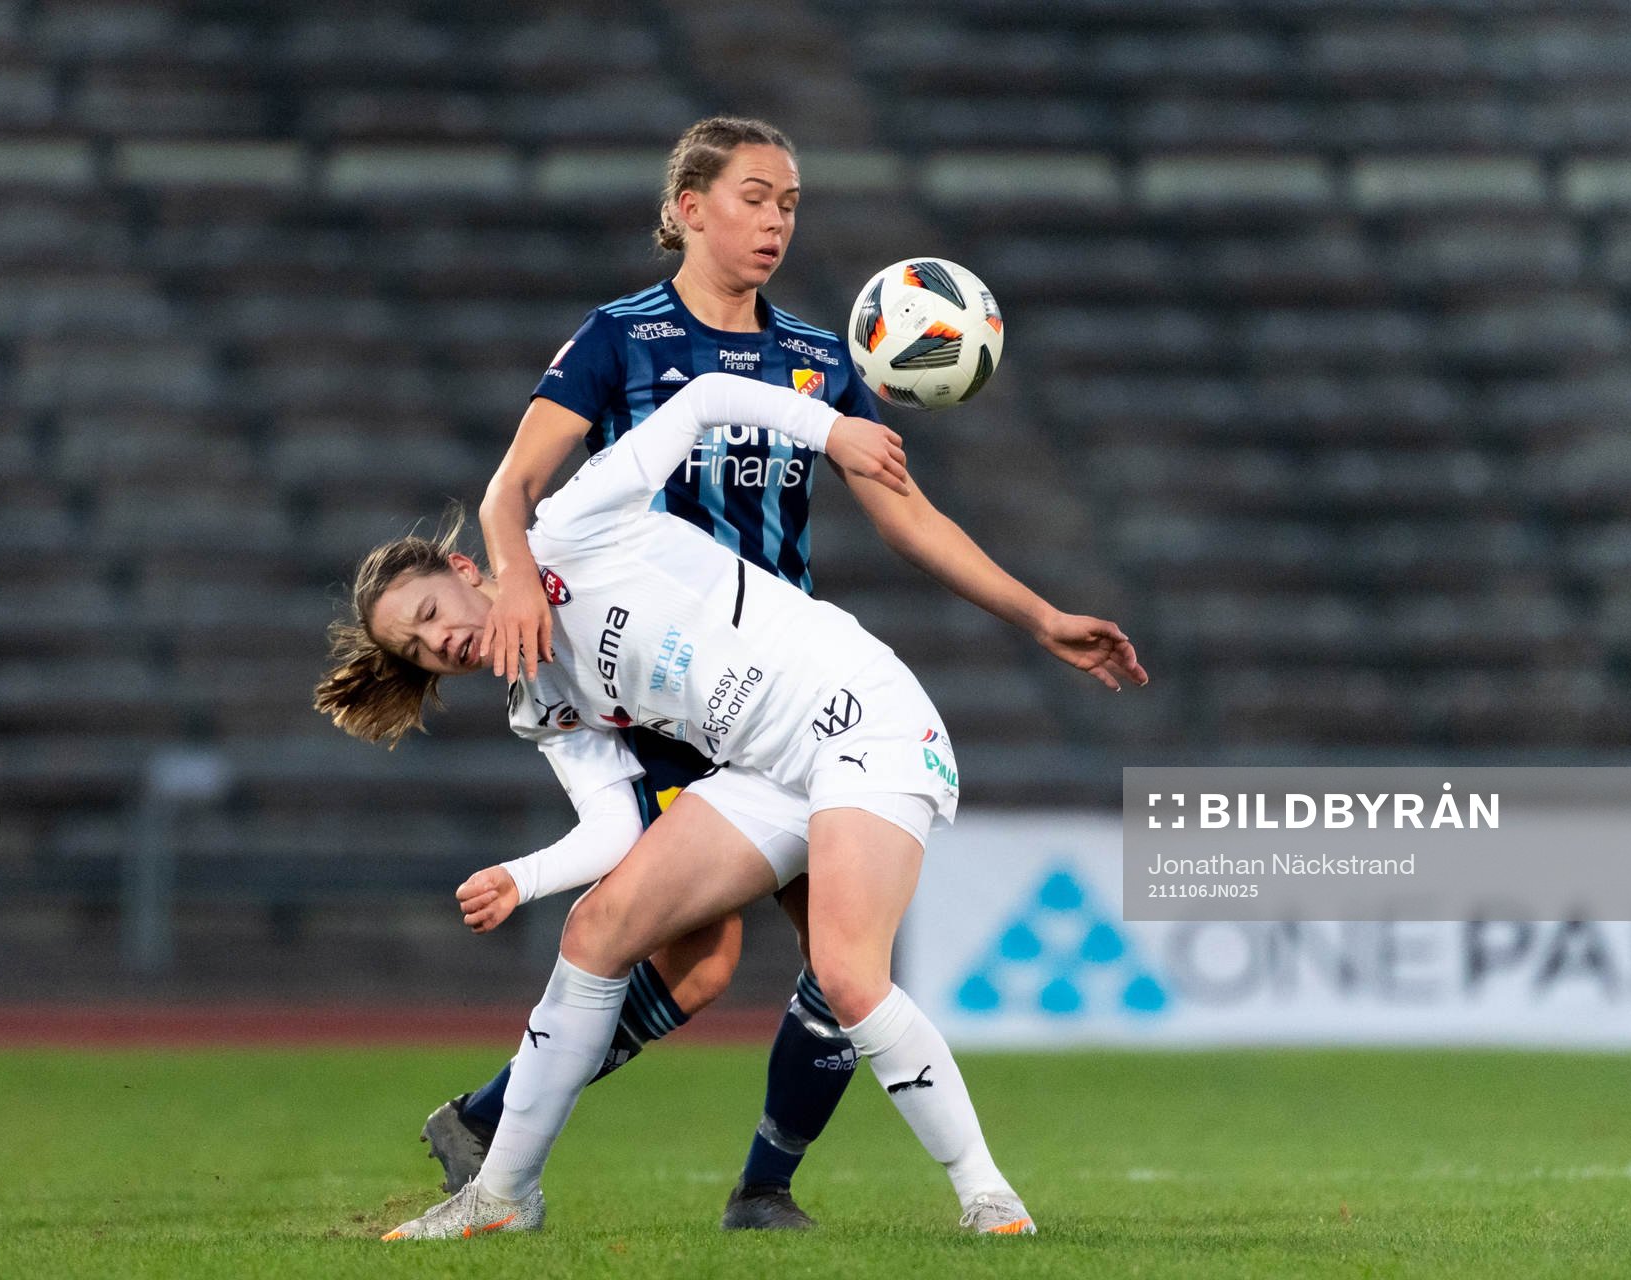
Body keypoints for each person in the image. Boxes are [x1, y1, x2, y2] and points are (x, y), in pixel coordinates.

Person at [426, 115, 1147, 1230]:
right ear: (687, 207)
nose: (776, 221)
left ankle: (742, 1180)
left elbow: (906, 512)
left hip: (787, 677)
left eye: (792, 202)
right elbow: (512, 484)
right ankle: (530, 1140)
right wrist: (516, 578)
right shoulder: (621, 338)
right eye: (755, 196)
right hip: (662, 694)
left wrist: (1036, 612)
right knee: (704, 954)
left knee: (826, 958)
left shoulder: (815, 356)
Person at [318, 373, 1133, 1237]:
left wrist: (833, 432)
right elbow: (618, 826)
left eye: (432, 613)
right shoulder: (537, 701)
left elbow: (705, 396)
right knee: (596, 932)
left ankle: (989, 1198)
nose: (442, 641)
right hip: (766, 769)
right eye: (422, 648)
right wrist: (525, 878)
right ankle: (502, 1196)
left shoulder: (570, 526)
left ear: (465, 569)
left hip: (862, 715)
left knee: (848, 974)